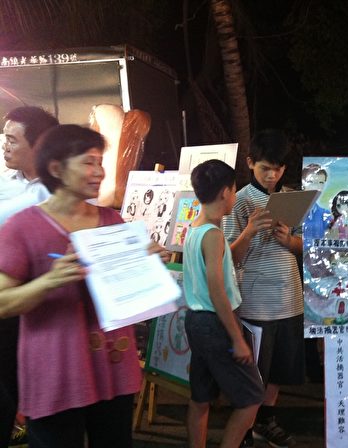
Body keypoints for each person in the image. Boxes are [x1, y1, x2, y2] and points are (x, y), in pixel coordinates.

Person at [0, 124, 169, 448]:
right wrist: (49, 281)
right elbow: (3, 302)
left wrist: (147, 269)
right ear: (56, 168)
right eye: (89, 162)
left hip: (112, 365)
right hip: (55, 373)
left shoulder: (112, 221)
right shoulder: (21, 227)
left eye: (100, 162)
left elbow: (123, 291)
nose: (99, 172)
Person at [223, 130, 304, 448]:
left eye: (278, 169)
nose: (272, 175)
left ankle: (266, 420)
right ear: (250, 163)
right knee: (254, 371)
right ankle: (243, 428)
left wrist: (290, 241)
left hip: (290, 297)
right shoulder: (239, 201)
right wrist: (249, 232)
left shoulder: (292, 198)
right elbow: (227, 256)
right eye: (265, 168)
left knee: (280, 368)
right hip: (256, 302)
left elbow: (306, 246)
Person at [183, 160, 263, 448]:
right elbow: (217, 290)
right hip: (215, 323)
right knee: (252, 397)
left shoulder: (195, 228)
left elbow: (219, 264)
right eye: (234, 189)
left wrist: (248, 231)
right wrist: (237, 338)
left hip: (196, 321)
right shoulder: (214, 235)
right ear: (225, 192)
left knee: (201, 398)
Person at [0, 106, 58, 447]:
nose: (4, 146)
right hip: (5, 300)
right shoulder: (4, 181)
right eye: (4, 138)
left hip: (33, 303)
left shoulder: (56, 194)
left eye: (12, 140)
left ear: (39, 146)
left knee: (30, 391)